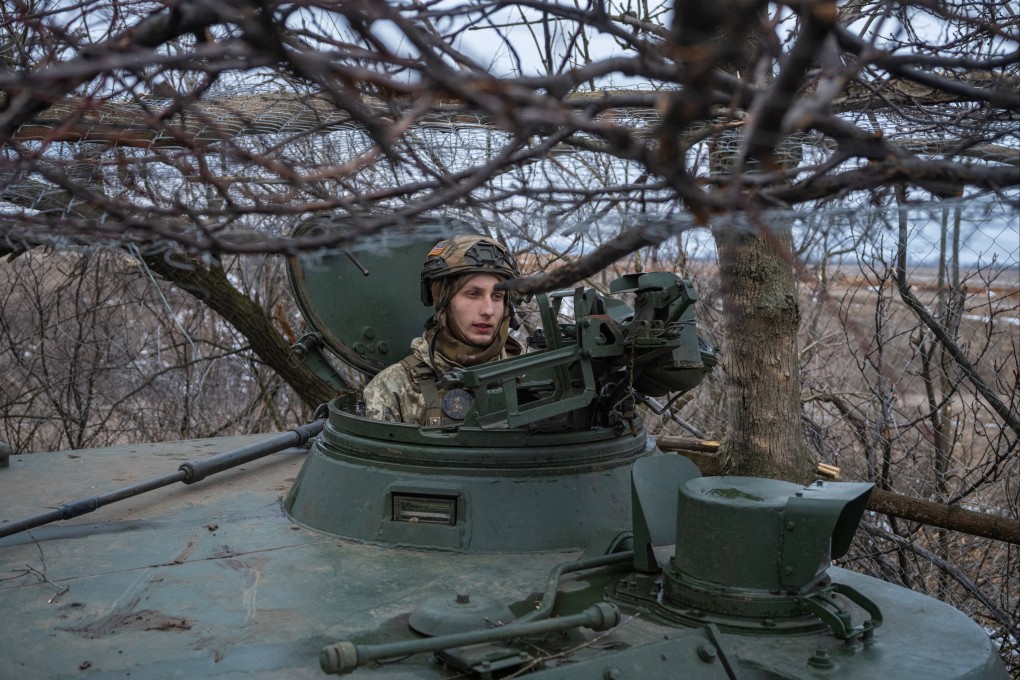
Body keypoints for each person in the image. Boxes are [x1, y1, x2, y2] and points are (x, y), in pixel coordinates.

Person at [361, 234, 524, 425]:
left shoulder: (531, 375)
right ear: (442, 300)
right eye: (473, 294)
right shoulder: (393, 388)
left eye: (497, 296)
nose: (488, 310)